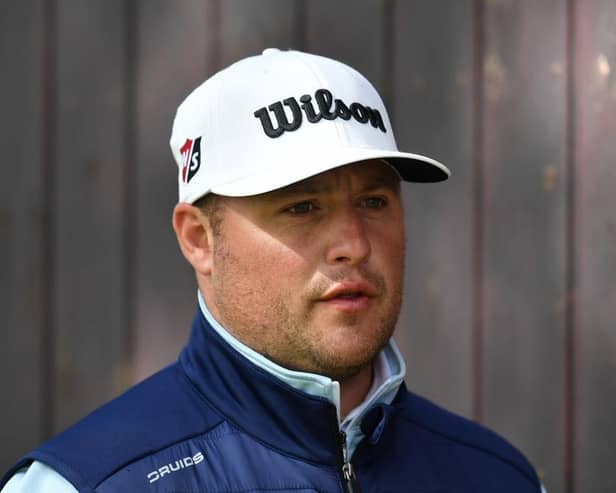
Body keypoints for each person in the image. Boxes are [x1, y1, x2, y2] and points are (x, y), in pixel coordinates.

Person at [1, 48, 546, 493]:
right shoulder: (90, 484)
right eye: (303, 207)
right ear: (199, 239)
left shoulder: (498, 477)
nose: (353, 245)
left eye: (375, 202)